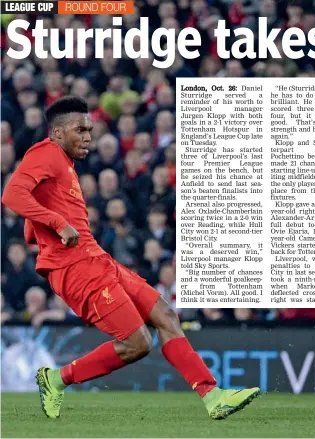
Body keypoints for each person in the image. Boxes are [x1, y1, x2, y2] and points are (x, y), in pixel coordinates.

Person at [1, 96, 261, 419]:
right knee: (139, 343)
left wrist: (39, 227)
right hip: (76, 269)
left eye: (90, 130)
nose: (87, 137)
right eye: (79, 130)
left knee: (165, 315)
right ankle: (57, 378)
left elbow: (32, 212)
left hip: (96, 258)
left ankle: (213, 396)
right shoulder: (46, 153)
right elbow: (11, 195)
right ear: (56, 132)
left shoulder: (62, 163)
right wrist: (56, 223)